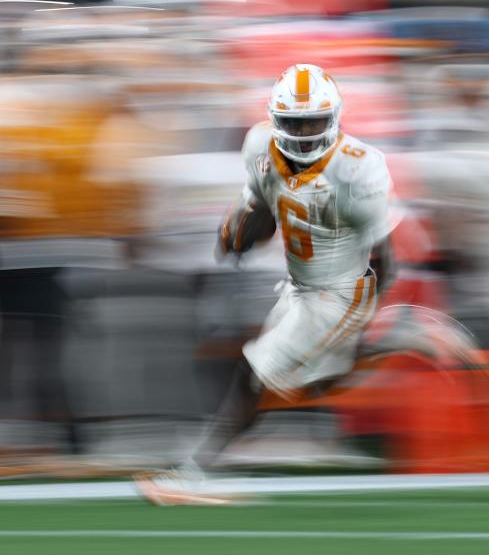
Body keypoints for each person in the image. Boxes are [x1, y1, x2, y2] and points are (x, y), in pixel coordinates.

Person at [137, 63, 394, 504]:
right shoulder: (259, 144)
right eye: (294, 121)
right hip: (298, 284)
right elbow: (262, 210)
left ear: (334, 117)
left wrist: (362, 315)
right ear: (276, 120)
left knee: (254, 375)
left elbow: (386, 258)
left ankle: (191, 473)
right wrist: (239, 231)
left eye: (313, 120)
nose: (304, 131)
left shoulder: (358, 169)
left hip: (342, 290)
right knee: (306, 384)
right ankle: (404, 335)